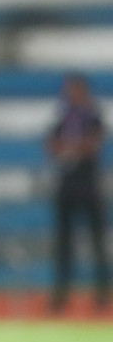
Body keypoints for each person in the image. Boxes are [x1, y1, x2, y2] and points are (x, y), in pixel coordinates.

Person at [47, 72, 109, 311]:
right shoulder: (62, 116)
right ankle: (61, 297)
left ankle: (102, 297)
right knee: (64, 245)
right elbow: (51, 144)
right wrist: (71, 148)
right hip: (67, 187)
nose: (69, 94)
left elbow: (93, 144)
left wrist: (70, 148)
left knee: (97, 244)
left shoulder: (93, 116)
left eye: (73, 90)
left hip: (89, 185)